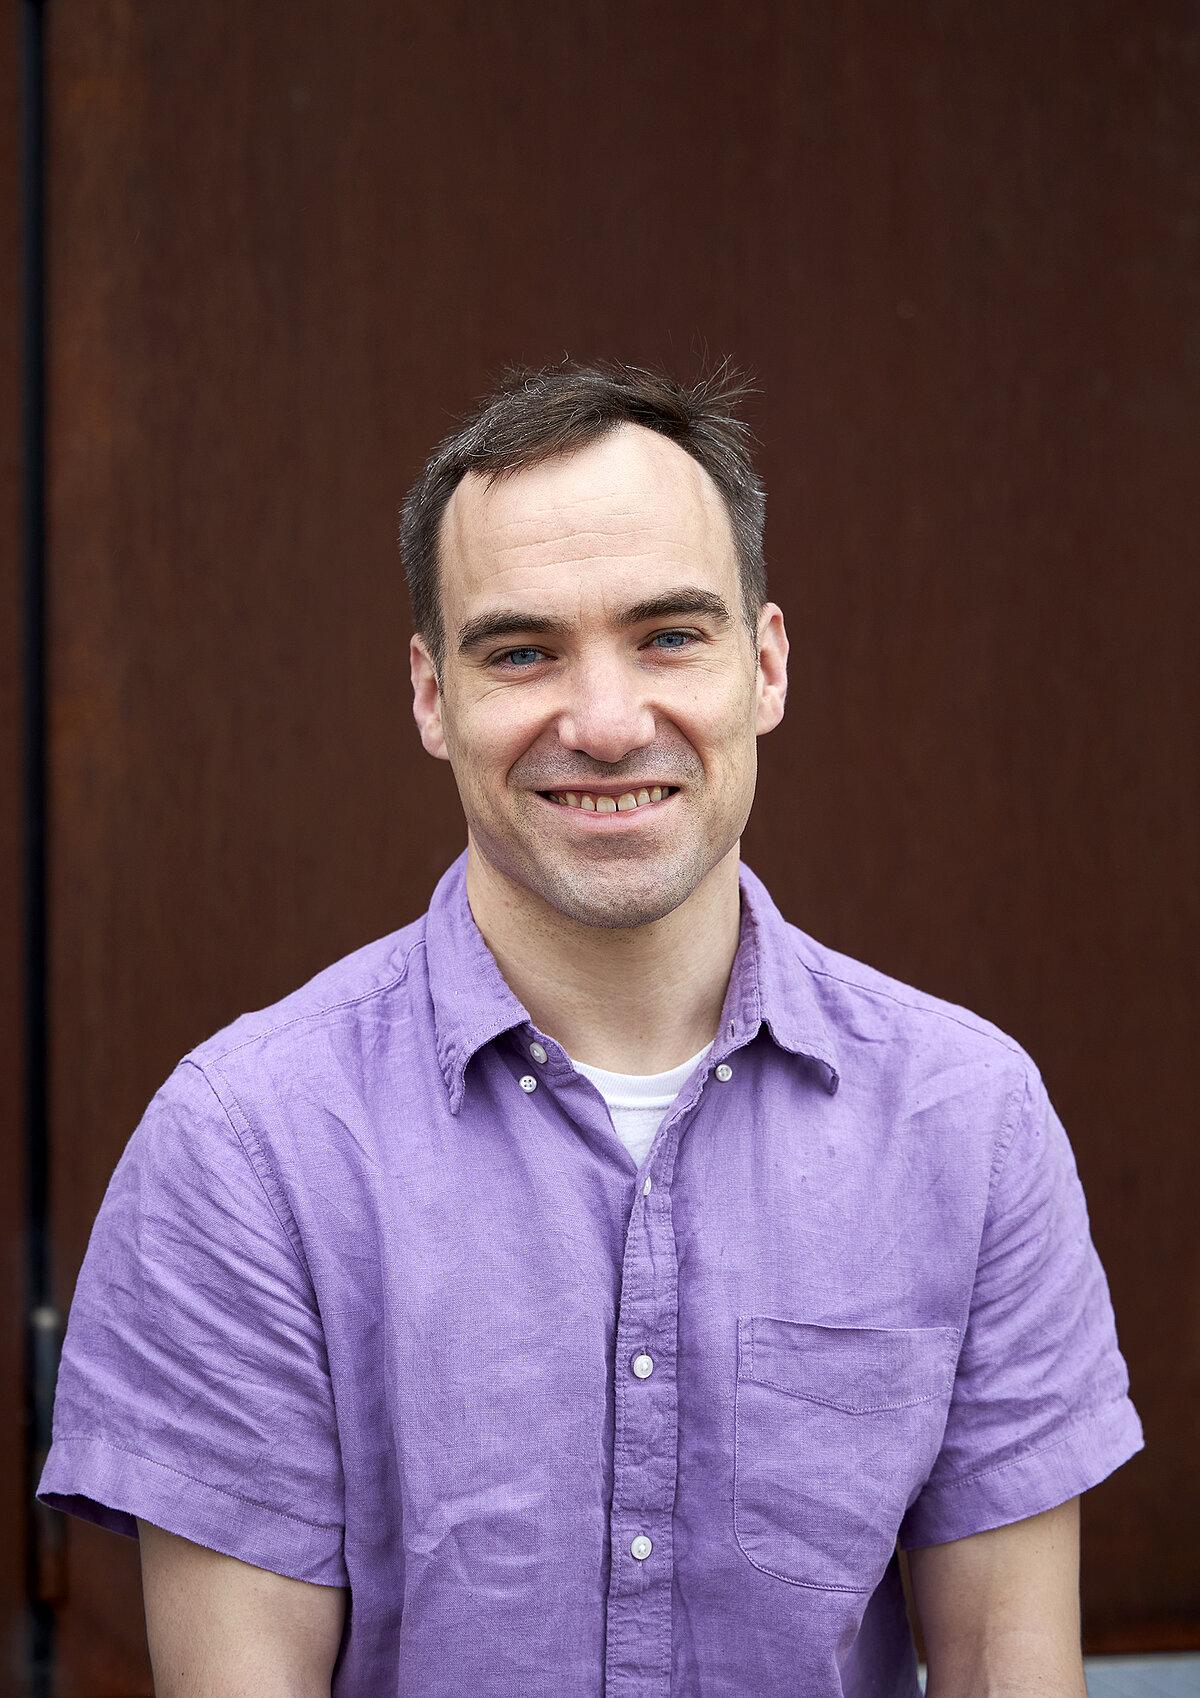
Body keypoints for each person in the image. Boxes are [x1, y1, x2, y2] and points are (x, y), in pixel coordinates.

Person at [40, 362, 1141, 1698]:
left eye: (669, 636)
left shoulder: (968, 1122)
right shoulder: (245, 1147)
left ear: (765, 665)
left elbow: (1005, 1670)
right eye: (522, 652)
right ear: (432, 694)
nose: (609, 725)